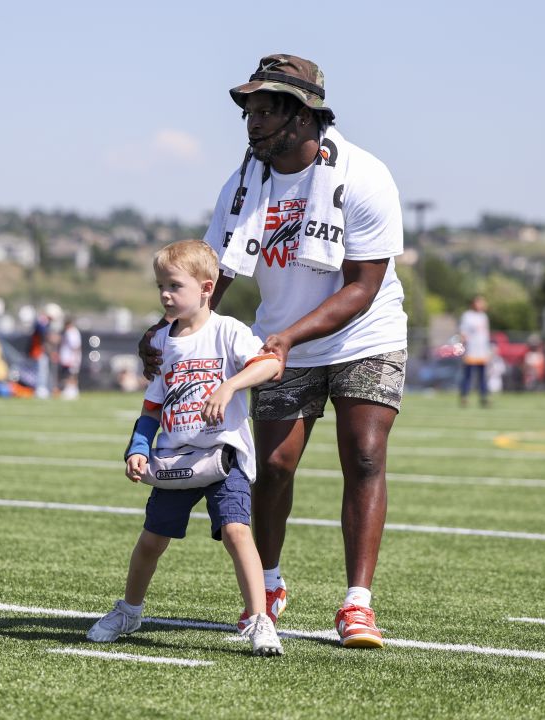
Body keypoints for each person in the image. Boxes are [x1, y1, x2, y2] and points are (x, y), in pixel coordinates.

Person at [139, 54, 406, 648]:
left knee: (363, 456)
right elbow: (210, 275)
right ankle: (271, 584)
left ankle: (356, 603)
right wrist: (166, 328)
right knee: (275, 465)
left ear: (303, 114)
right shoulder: (241, 186)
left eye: (265, 111)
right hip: (280, 338)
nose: (253, 124)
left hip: (366, 334)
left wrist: (286, 338)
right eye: (249, 112)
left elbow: (363, 286)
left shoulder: (364, 175)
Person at [89, 240, 284, 656]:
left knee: (236, 531)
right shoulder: (162, 342)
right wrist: (138, 447)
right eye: (160, 285)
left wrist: (229, 386)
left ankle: (258, 620)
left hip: (223, 455)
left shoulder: (227, 330)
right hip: (177, 458)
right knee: (150, 542)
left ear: (206, 288)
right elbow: (152, 406)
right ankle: (129, 610)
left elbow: (271, 364)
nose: (165, 294)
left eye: (174, 285)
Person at [458, 295, 490, 407]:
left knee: (482, 376)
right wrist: (462, 348)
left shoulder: (484, 316)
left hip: (482, 351)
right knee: (468, 376)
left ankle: (484, 397)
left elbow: (485, 335)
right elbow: (463, 333)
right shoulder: (467, 316)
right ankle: (464, 397)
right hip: (471, 350)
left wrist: (488, 351)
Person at [57, 319, 82, 399]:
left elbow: (75, 346)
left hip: (70, 357)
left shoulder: (71, 332)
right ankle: (70, 390)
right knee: (68, 374)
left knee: (70, 374)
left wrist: (74, 358)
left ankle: (71, 391)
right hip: (68, 357)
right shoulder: (70, 332)